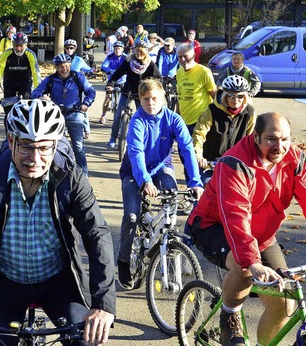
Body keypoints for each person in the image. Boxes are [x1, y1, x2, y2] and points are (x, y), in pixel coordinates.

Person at [0, 99, 116, 346]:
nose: (35, 158)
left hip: (59, 279)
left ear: (55, 146)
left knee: (86, 342)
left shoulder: (70, 177)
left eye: (44, 148)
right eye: (26, 146)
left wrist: (103, 305)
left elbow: (97, 234)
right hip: (5, 281)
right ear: (11, 141)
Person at [187, 112, 306, 346]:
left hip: (262, 237)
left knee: (285, 305)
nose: (280, 146)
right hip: (213, 226)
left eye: (285, 139)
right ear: (255, 137)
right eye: (272, 139)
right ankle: (229, 315)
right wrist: (252, 262)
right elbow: (236, 216)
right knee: (242, 265)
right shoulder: (234, 164)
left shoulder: (296, 160)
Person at [116, 79, 203, 289]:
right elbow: (136, 153)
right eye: (146, 99)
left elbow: (187, 149)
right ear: (140, 99)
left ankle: (169, 237)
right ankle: (124, 260)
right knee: (132, 216)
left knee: (171, 191)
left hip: (160, 169)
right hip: (134, 172)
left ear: (163, 97)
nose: (151, 103)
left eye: (155, 98)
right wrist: (144, 180)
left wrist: (195, 182)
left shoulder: (174, 119)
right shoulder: (137, 121)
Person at [31, 54, 96, 174]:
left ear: (70, 65)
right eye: (61, 66)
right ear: (56, 67)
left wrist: (86, 103)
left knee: (78, 147)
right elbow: (35, 92)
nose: (64, 69)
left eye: (66, 66)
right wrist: (41, 97)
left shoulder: (78, 77)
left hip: (75, 114)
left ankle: (84, 174)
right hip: (56, 116)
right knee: (52, 145)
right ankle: (53, 172)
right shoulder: (50, 79)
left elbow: (91, 91)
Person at [192, 75, 256, 183]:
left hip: (236, 164)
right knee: (208, 186)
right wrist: (198, 154)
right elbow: (199, 134)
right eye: (231, 96)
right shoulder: (212, 110)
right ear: (225, 96)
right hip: (211, 163)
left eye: (240, 96)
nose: (236, 100)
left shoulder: (249, 112)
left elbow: (252, 139)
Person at [105, 40, 162, 149]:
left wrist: (154, 88)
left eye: (141, 52)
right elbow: (118, 73)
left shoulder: (150, 64)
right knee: (118, 115)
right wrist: (110, 83)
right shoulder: (129, 61)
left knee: (145, 116)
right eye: (137, 51)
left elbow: (159, 78)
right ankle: (113, 138)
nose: (139, 54)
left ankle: (147, 140)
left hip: (142, 94)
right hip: (128, 91)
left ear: (145, 52)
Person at [175, 43, 217, 135]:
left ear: (193, 56)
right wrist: (177, 116)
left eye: (185, 56)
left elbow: (215, 96)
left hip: (200, 121)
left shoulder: (204, 72)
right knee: (182, 149)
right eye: (180, 57)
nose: (183, 60)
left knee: (196, 149)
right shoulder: (179, 72)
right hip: (183, 121)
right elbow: (180, 96)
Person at [0, 32, 41, 104]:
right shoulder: (6, 54)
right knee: (8, 109)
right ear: (12, 44)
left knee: (26, 109)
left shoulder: (30, 54)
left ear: (26, 44)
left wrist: (39, 94)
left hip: (25, 83)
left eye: (21, 46)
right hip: (9, 84)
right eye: (16, 46)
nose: (18, 49)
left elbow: (36, 73)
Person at [99, 41, 127, 124]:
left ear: (122, 49)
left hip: (123, 81)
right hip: (112, 81)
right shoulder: (110, 57)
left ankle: (125, 115)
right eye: (115, 48)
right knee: (108, 97)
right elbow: (103, 66)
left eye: (119, 48)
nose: (117, 50)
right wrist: (110, 70)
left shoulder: (126, 57)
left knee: (126, 98)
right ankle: (103, 115)